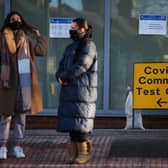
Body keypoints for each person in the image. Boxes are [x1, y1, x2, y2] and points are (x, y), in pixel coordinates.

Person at [0, 11, 47, 159]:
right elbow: (9, 51)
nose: (16, 21)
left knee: (21, 116)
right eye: (13, 19)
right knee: (5, 116)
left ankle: (17, 146)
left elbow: (41, 51)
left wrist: (38, 36)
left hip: (24, 83)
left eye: (18, 19)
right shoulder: (2, 38)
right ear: (8, 21)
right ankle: (2, 147)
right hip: (7, 83)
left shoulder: (26, 40)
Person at [55, 18, 97, 164]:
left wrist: (65, 76)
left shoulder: (89, 46)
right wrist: (59, 76)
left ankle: (84, 152)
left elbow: (82, 65)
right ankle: (73, 154)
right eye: (70, 27)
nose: (71, 30)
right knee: (72, 126)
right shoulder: (70, 47)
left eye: (74, 27)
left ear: (82, 30)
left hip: (82, 92)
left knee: (80, 126)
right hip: (69, 90)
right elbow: (61, 64)